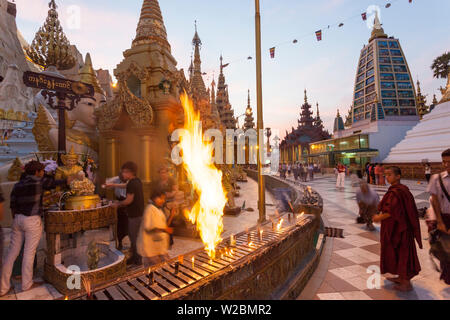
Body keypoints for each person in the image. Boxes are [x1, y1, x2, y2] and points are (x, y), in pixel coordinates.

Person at [0, 161, 69, 297]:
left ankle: (3, 288)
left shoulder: (18, 184)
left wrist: (19, 218)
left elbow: (12, 206)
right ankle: (27, 284)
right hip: (31, 220)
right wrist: (68, 179)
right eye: (42, 171)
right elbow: (54, 184)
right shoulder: (38, 181)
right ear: (37, 172)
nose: (43, 173)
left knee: (11, 254)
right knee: (29, 253)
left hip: (18, 219)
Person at [372, 166, 422, 292]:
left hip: (401, 229)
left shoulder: (398, 191)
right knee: (396, 252)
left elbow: (392, 211)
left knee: (403, 253)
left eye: (389, 175)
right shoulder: (397, 190)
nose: (387, 177)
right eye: (386, 175)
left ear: (398, 176)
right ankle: (400, 277)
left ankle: (406, 283)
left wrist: (378, 217)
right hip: (395, 228)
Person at [427, 149, 450, 285]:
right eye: (444, 162)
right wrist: (440, 222)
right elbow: (434, 200)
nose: (446, 165)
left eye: (449, 162)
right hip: (445, 219)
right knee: (446, 250)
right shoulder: (437, 178)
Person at [116, 162, 144, 266]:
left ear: (129, 172)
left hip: (134, 215)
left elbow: (128, 200)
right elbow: (125, 186)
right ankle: (135, 257)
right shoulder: (137, 181)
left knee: (134, 237)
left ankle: (137, 260)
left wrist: (117, 204)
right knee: (136, 237)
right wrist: (112, 185)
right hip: (139, 214)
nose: (122, 174)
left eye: (123, 172)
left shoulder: (132, 183)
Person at [138, 188, 173, 268]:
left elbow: (164, 226)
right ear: (154, 198)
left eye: (164, 198)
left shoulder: (159, 210)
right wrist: (164, 230)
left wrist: (172, 215)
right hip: (151, 249)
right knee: (153, 272)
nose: (163, 201)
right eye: (161, 198)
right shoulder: (150, 209)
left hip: (160, 248)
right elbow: (148, 228)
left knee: (165, 269)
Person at [104, 172, 128, 251]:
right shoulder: (116, 179)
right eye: (121, 177)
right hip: (119, 205)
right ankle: (120, 242)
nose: (122, 179)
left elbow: (126, 187)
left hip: (127, 204)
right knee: (119, 225)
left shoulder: (130, 181)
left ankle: (132, 245)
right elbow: (106, 184)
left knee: (128, 225)